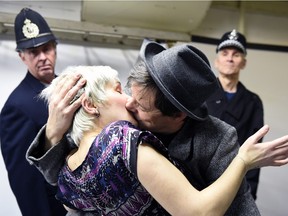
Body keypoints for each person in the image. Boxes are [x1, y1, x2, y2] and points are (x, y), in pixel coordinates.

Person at [26, 41, 287, 215]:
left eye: (141, 105)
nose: (129, 102)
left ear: (178, 116)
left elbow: (238, 208)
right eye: (128, 92)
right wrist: (53, 132)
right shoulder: (115, 126)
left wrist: (242, 161)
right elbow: (65, 180)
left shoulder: (216, 139)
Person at [0, 8, 67, 216]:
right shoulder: (16, 107)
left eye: (46, 49)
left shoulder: (69, 87)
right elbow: (25, 182)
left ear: (55, 49)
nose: (42, 57)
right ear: (23, 57)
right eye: (33, 52)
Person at [206, 29, 264, 199]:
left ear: (243, 63)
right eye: (225, 53)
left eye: (236, 54)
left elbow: (255, 149)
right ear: (217, 61)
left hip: (235, 180)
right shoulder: (200, 94)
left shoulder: (253, 102)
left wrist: (249, 193)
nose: (230, 58)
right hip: (198, 178)